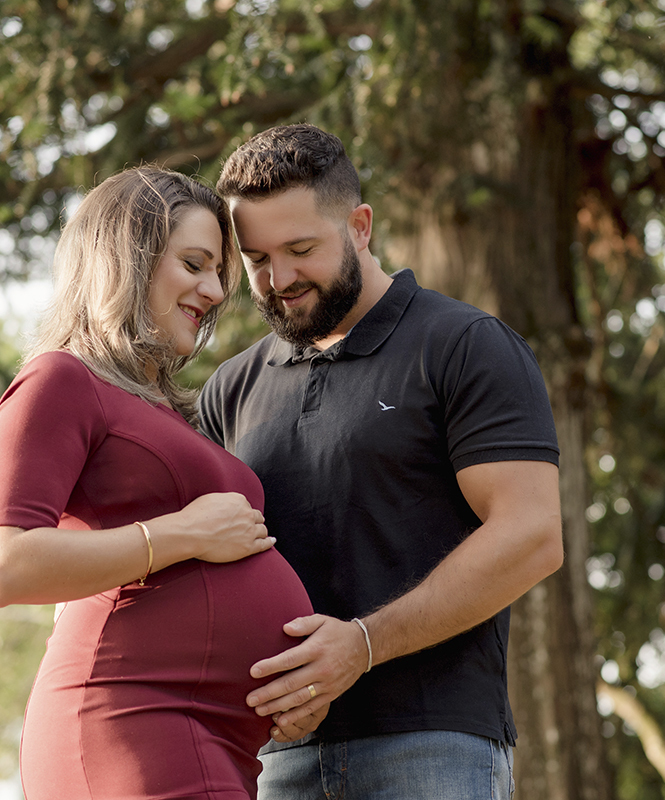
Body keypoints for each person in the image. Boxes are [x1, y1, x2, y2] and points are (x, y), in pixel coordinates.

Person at [198, 124, 565, 799]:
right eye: (255, 259)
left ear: (360, 227)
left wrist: (361, 646)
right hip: (276, 758)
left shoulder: (465, 345)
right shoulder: (229, 389)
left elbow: (532, 535)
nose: (278, 280)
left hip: (432, 747)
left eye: (301, 249)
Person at [0, 166, 319, 800]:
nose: (215, 291)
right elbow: (5, 565)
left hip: (217, 739)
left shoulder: (159, 411)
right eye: (194, 264)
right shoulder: (60, 380)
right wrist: (182, 533)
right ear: (125, 260)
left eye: (218, 272)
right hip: (129, 721)